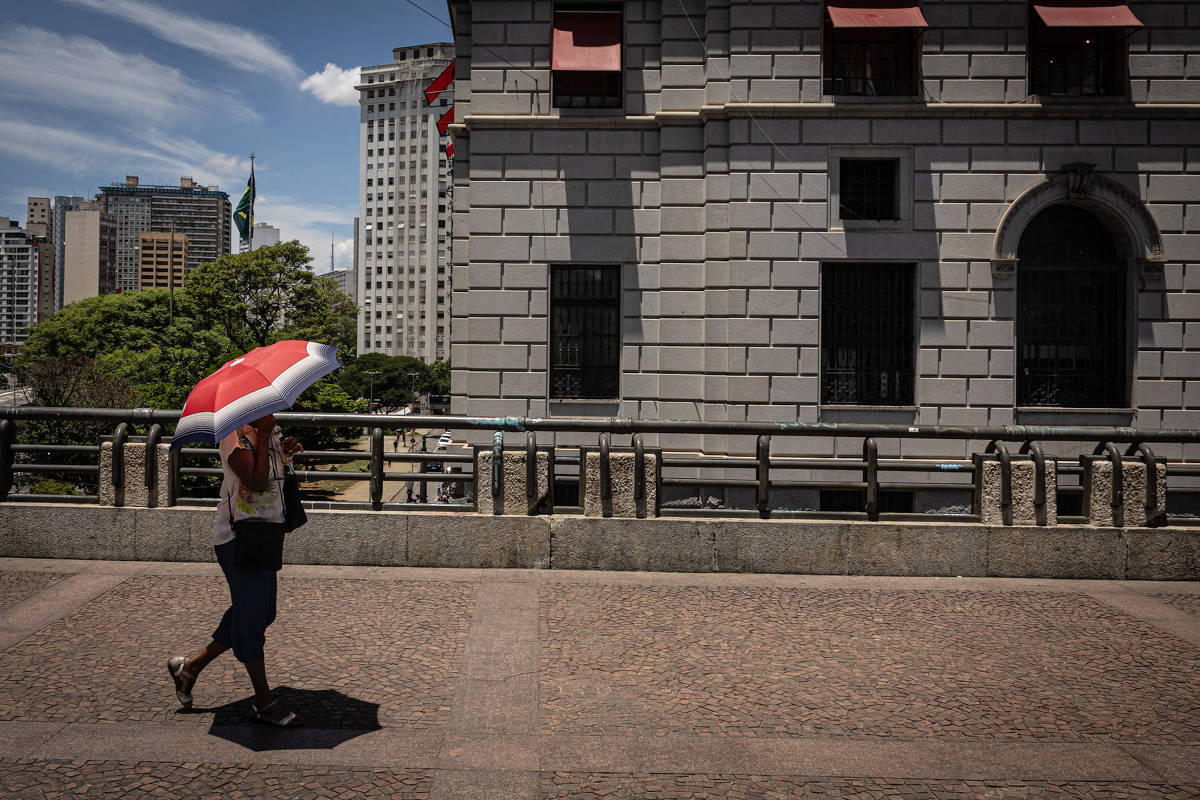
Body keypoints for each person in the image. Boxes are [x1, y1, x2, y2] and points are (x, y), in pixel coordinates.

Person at [166, 413, 305, 727]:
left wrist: (285, 451)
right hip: (240, 537)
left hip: (266, 533)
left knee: (260, 613)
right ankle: (264, 701)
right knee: (252, 620)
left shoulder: (266, 432)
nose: (269, 412)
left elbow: (270, 476)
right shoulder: (234, 435)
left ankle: (190, 667)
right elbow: (254, 480)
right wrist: (265, 435)